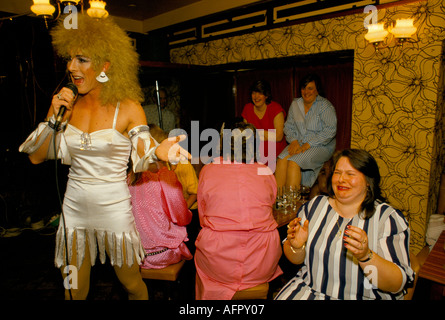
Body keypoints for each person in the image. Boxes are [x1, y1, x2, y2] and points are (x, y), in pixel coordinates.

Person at [19, 15, 189, 300]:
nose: (71, 67)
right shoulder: (65, 105)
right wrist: (53, 115)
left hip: (114, 211)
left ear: (105, 66)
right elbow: (36, 157)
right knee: (73, 288)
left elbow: (145, 146)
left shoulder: (128, 107)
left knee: (132, 284)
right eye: (70, 59)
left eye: (81, 59)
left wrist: (160, 151)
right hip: (73, 211)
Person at [275, 149, 414, 300]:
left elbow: (397, 285)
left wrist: (366, 257)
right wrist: (297, 247)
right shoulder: (314, 206)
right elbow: (296, 260)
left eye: (350, 174)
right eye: (337, 172)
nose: (341, 179)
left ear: (368, 181)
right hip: (310, 290)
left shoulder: (387, 219)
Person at [194, 121, 283, 300]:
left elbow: (203, 218)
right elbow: (271, 206)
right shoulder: (266, 171)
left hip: (219, 262)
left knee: (201, 255)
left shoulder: (209, 170)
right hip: (262, 262)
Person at [127, 151, 193, 270]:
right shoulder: (164, 175)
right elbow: (181, 216)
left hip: (134, 255)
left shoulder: (128, 177)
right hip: (164, 253)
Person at [275, 74, 337, 191]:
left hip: (321, 145)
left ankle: (291, 204)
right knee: (282, 160)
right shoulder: (295, 104)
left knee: (293, 162)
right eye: (303, 88)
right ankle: (278, 201)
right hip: (298, 143)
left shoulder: (325, 106)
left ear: (317, 90)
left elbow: (330, 131)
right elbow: (288, 126)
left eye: (310, 88)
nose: (306, 91)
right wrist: (293, 141)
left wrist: (308, 144)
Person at [241, 80, 286, 169]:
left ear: (266, 95)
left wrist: (256, 132)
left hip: (275, 153)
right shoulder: (247, 108)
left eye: (260, 93)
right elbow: (246, 135)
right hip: (255, 153)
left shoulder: (275, 108)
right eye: (254, 93)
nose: (256, 97)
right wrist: (267, 135)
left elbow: (278, 137)